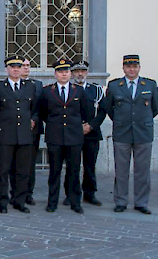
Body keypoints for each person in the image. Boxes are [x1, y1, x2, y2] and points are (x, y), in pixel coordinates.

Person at [100, 55, 158, 214]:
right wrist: (122, 120)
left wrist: (141, 120)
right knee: (121, 170)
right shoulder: (114, 86)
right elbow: (109, 107)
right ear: (123, 68)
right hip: (122, 133)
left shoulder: (150, 84)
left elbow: (156, 107)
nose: (131, 70)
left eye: (134, 67)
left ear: (139, 68)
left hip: (143, 133)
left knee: (142, 170)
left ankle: (141, 202)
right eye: (128, 67)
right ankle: (120, 201)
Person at [38, 59, 91, 214]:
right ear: (55, 74)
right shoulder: (47, 91)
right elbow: (42, 113)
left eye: (66, 71)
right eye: (60, 71)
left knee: (74, 171)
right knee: (54, 171)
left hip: (74, 138)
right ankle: (52, 202)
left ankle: (75, 202)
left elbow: (85, 112)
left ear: (70, 73)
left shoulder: (79, 91)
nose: (64, 74)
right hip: (55, 137)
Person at [0, 55, 37, 214]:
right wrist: (1, 126)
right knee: (3, 170)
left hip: (24, 134)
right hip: (5, 134)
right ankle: (3, 201)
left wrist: (32, 121)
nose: (16, 70)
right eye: (12, 67)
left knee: (22, 171)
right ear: (7, 69)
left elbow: (34, 109)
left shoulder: (29, 87)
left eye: (18, 67)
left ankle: (19, 200)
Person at [63, 60, 107, 206]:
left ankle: (90, 194)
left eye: (82, 71)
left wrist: (91, 126)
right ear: (71, 73)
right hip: (72, 133)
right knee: (72, 166)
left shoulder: (96, 90)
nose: (79, 74)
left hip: (92, 133)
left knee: (90, 166)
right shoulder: (67, 89)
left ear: (87, 72)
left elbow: (102, 111)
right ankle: (70, 194)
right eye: (76, 71)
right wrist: (77, 127)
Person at [9, 58, 44, 206]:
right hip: (13, 129)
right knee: (13, 164)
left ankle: (28, 193)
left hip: (32, 129)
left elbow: (41, 106)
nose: (26, 68)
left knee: (29, 164)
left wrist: (34, 119)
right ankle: (14, 193)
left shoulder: (37, 85)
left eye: (28, 66)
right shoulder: (8, 85)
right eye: (22, 66)